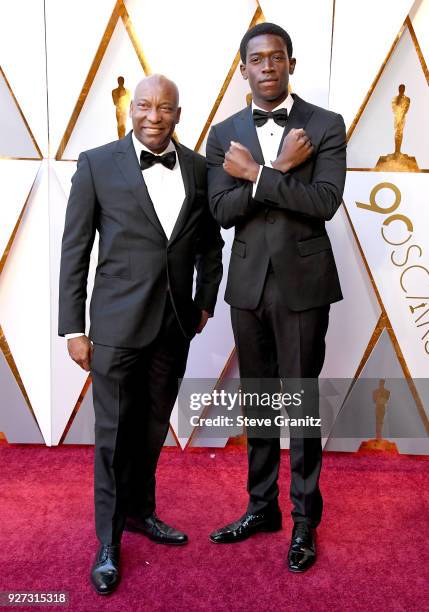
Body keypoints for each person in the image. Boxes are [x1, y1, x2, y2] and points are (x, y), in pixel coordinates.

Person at [58, 74, 223, 594]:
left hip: (174, 326)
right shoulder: (96, 163)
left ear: (179, 113)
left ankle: (141, 513)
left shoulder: (198, 167)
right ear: (132, 110)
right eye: (145, 106)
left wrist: (203, 303)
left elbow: (210, 245)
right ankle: (108, 543)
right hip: (114, 327)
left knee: (152, 429)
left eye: (166, 108)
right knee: (112, 437)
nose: (155, 116)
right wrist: (73, 328)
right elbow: (75, 252)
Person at [206, 23, 346, 573]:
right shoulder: (224, 133)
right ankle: (261, 507)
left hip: (304, 284)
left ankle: (305, 518)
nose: (268, 66)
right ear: (243, 68)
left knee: (301, 401)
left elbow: (325, 201)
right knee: (259, 399)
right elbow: (220, 211)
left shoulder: (325, 125)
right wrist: (281, 170)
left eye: (277, 57)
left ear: (292, 63)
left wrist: (258, 176)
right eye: (257, 59)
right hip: (247, 286)